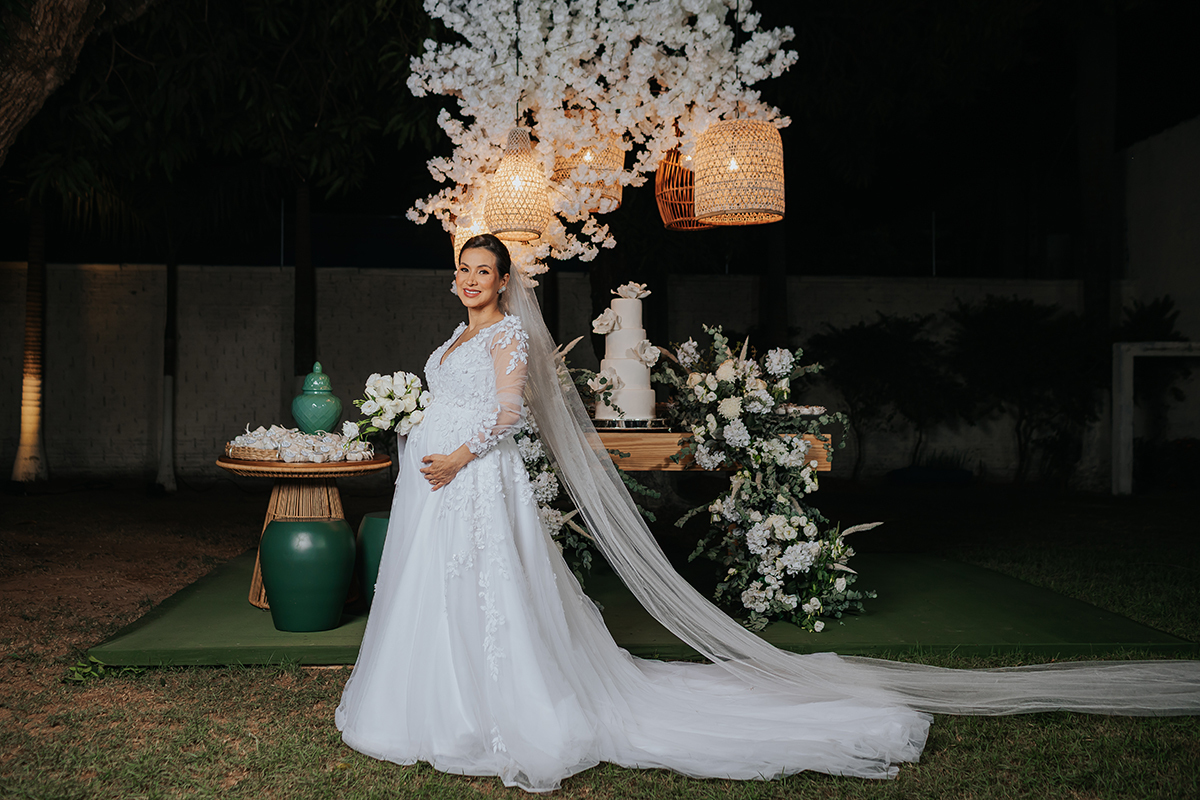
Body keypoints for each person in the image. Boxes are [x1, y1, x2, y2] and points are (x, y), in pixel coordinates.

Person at [337, 234, 1200, 792]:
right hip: (433, 486)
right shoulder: (449, 337)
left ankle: (502, 702)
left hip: (475, 480)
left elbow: (512, 414)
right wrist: (426, 451)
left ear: (503, 283)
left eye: (483, 272)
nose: (470, 282)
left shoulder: (509, 338)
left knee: (492, 597)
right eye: (463, 270)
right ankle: (427, 698)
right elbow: (445, 400)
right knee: (429, 592)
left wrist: (457, 454)